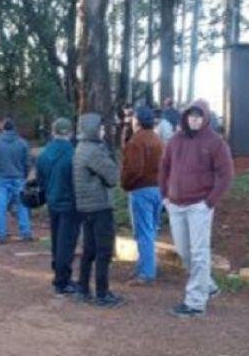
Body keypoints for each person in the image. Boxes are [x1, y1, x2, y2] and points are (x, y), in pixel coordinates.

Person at [159, 99, 234, 318]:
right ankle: (207, 285)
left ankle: (195, 303)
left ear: (205, 118)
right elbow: (164, 167)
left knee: (199, 253)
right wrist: (164, 196)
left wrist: (209, 202)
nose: (195, 119)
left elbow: (226, 175)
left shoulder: (215, 143)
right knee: (184, 251)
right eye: (191, 115)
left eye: (199, 116)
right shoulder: (175, 140)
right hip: (175, 205)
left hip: (199, 206)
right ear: (185, 117)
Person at [73, 114, 123, 308]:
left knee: (89, 250)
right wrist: (111, 156)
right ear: (93, 129)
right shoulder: (94, 151)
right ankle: (102, 294)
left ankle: (83, 288)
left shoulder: (80, 148)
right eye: (101, 128)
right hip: (100, 206)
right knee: (103, 251)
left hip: (85, 207)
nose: (103, 131)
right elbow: (113, 177)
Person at [121, 106, 165, 285]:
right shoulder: (158, 139)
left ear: (137, 121)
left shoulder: (136, 141)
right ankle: (145, 266)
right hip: (159, 189)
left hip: (141, 190)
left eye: (133, 118)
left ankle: (146, 272)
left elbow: (134, 169)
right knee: (151, 230)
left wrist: (125, 184)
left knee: (143, 231)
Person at [36, 118, 78, 296]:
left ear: (53, 132)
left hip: (52, 201)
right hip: (70, 203)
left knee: (56, 240)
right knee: (66, 243)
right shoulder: (74, 154)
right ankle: (62, 281)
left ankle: (58, 274)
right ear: (70, 133)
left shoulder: (44, 154)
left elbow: (40, 179)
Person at [0, 119, 32, 243]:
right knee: (22, 205)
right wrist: (24, 174)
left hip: (1, 177)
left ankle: (1, 234)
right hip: (18, 177)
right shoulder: (23, 143)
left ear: (3, 129)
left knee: (1, 207)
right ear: (15, 128)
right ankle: (25, 232)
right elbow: (28, 162)